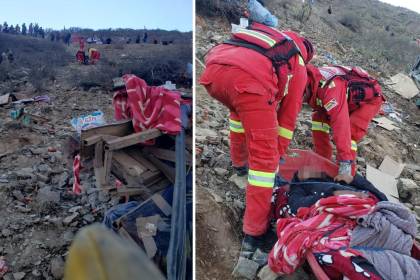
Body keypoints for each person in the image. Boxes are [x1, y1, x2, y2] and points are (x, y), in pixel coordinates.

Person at [199, 8, 314, 257]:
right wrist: (276, 158)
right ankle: (254, 234)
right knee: (263, 163)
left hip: (213, 73)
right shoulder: (298, 62)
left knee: (238, 115)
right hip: (249, 81)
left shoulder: (270, 38)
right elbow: (287, 118)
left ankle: (239, 163)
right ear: (307, 52)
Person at [305, 64, 384, 182]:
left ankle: (347, 176)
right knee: (318, 119)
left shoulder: (330, 88)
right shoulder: (313, 80)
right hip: (346, 98)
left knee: (350, 134)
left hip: (369, 101)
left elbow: (340, 124)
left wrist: (344, 165)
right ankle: (322, 162)